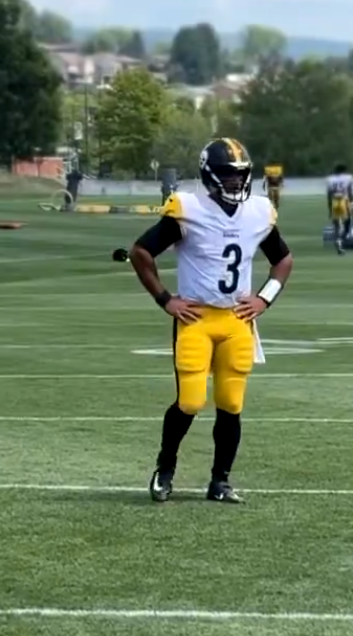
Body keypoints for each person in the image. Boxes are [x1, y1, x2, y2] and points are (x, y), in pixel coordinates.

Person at [128, 138, 294, 505]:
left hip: (236, 320)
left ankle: (220, 481)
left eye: (240, 175)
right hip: (196, 318)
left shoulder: (258, 212)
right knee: (190, 401)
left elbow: (282, 259)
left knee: (231, 403)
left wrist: (264, 298)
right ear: (208, 174)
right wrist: (165, 299)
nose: (235, 182)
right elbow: (141, 251)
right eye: (227, 175)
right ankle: (165, 467)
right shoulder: (188, 209)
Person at [326, 164, 353, 255]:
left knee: (336, 226)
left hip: (334, 201)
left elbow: (329, 195)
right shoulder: (348, 178)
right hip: (343, 201)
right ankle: (344, 238)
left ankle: (339, 243)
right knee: (348, 220)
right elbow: (350, 191)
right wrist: (352, 202)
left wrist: (329, 209)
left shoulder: (330, 179)